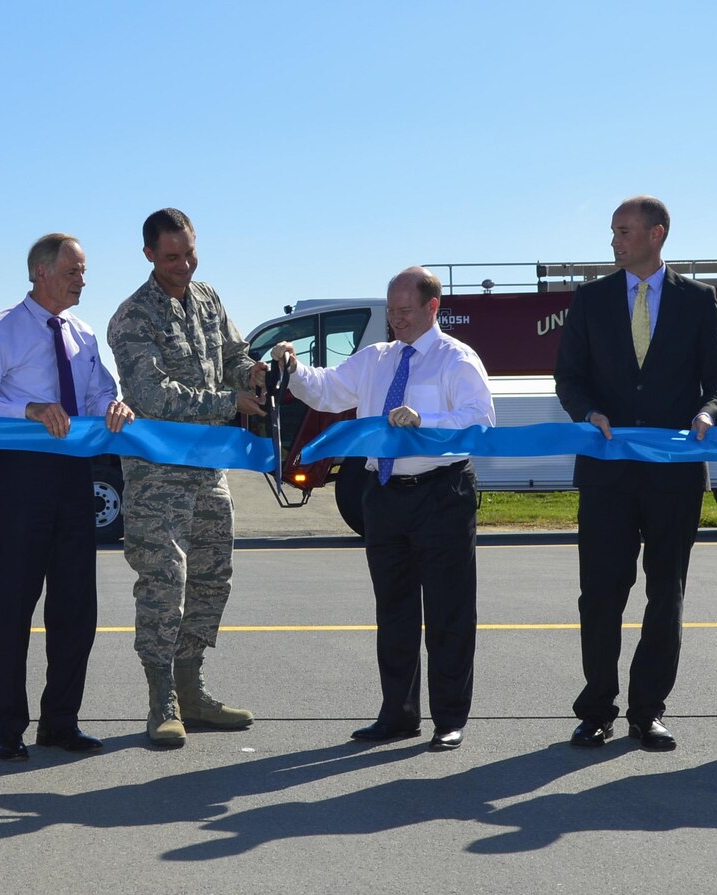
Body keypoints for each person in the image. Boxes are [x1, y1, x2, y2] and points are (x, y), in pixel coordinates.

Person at [277, 267, 493, 750]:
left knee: (448, 611)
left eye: (404, 311)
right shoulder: (375, 359)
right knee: (393, 611)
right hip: (384, 493)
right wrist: (293, 369)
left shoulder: (456, 359)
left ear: (432, 307)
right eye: (391, 311)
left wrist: (426, 421)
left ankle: (449, 718)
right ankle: (397, 714)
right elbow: (327, 388)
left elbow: (479, 421)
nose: (394, 320)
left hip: (442, 493)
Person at [554, 196, 717, 751]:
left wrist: (708, 414)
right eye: (613, 231)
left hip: (673, 476)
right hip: (608, 474)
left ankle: (647, 710)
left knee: (666, 595)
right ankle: (597, 709)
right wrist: (588, 413)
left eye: (625, 231)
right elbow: (569, 379)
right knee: (600, 595)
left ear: (657, 234)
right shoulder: (590, 300)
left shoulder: (698, 301)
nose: (614, 241)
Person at [0, 233, 134, 762]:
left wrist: (115, 405)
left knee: (76, 607)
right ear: (41, 272)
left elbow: (100, 390)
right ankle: (8, 728)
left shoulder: (82, 332)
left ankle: (61, 722)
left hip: (75, 476)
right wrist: (28, 410)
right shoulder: (1, 329)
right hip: (22, 481)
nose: (83, 280)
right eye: (74, 271)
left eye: (83, 272)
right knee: (15, 606)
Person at [107, 208, 265, 748]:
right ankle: (161, 701)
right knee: (163, 585)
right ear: (149, 254)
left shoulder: (209, 300)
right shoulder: (132, 317)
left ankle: (192, 689)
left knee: (211, 576)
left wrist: (255, 373)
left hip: (207, 470)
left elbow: (233, 355)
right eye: (171, 256)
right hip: (157, 478)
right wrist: (230, 400)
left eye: (190, 253)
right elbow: (152, 397)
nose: (183, 265)